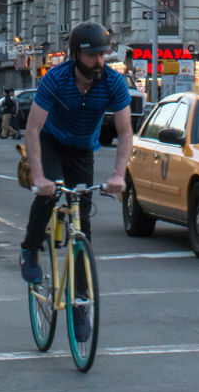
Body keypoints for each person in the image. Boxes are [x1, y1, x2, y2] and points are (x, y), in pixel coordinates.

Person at [19, 22, 133, 339]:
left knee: (82, 223)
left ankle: (81, 305)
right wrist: (40, 176)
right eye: (93, 55)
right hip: (51, 141)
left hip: (83, 148)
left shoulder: (113, 82)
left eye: (103, 55)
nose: (100, 62)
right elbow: (32, 130)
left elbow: (125, 133)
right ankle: (29, 250)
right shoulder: (55, 80)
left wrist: (118, 175)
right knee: (49, 193)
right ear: (75, 54)